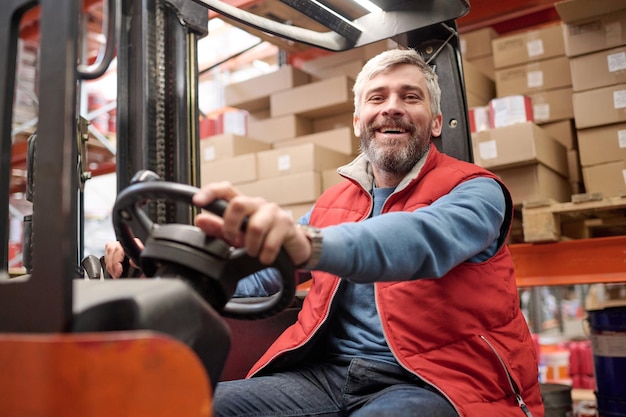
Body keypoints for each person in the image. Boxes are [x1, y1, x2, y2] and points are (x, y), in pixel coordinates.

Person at [105, 48, 544, 417]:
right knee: (192, 406)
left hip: (435, 380)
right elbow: (258, 275)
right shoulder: (332, 203)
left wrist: (307, 245)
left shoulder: (477, 191)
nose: (391, 106)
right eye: (377, 97)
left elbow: (416, 241)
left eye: (410, 97)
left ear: (433, 122)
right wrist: (157, 268)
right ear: (358, 121)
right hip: (328, 374)